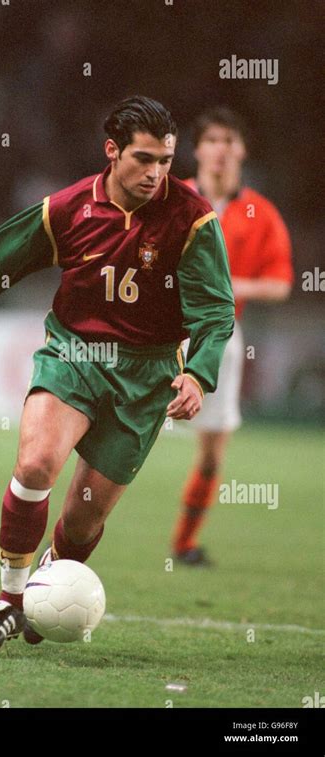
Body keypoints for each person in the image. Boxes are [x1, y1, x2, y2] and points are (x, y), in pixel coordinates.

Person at [0, 96, 235, 653]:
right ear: (111, 152)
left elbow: (214, 310)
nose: (157, 173)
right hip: (74, 355)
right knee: (37, 462)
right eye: (144, 159)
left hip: (146, 379)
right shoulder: (69, 209)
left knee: (83, 523)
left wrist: (199, 376)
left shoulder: (192, 218)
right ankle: (9, 604)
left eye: (166, 160)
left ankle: (53, 577)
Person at [171, 107, 293, 566]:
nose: (221, 149)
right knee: (122, 432)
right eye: (213, 140)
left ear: (241, 149)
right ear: (198, 149)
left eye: (230, 140)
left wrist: (226, 285)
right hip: (162, 329)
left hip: (221, 335)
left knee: (211, 449)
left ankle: (184, 543)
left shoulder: (259, 213)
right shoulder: (173, 197)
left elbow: (280, 284)